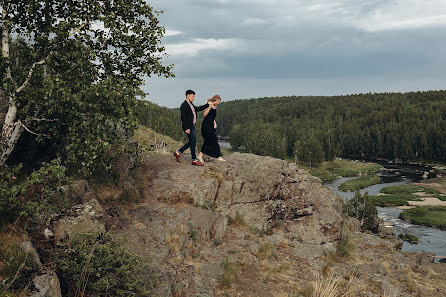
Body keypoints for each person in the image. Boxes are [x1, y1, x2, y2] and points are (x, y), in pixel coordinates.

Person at [173, 90, 209, 166]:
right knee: (193, 142)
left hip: (192, 126)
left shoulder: (190, 104)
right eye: (193, 97)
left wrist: (207, 104)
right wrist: (186, 128)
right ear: (188, 96)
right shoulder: (184, 105)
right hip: (188, 127)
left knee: (192, 142)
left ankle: (177, 153)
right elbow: (183, 118)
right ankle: (194, 160)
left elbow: (198, 109)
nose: (193, 98)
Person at [197, 95, 225, 163]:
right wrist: (209, 106)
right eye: (218, 101)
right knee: (214, 140)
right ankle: (218, 156)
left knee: (208, 141)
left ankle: (200, 156)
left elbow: (211, 117)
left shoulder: (215, 107)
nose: (218, 103)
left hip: (211, 126)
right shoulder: (209, 105)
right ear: (215, 100)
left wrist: (214, 122)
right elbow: (205, 115)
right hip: (206, 126)